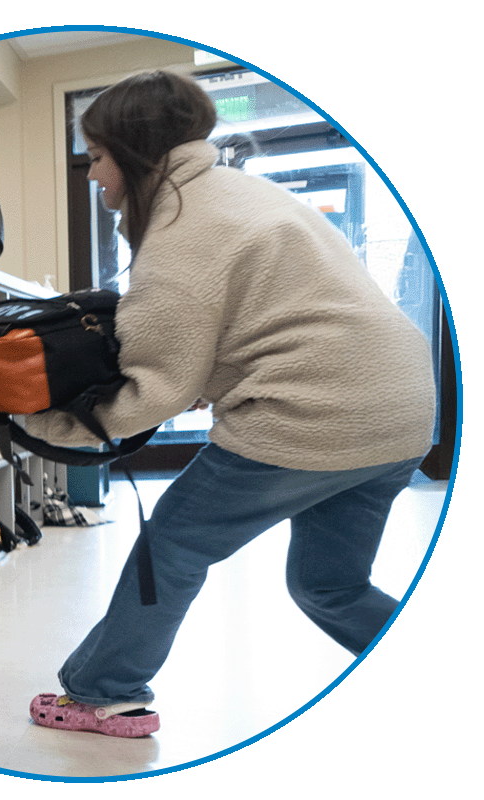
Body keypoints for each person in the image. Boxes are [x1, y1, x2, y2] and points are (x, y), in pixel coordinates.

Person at [25, 71, 437, 738]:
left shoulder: (181, 231)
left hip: (313, 409)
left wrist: (41, 425)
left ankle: (104, 692)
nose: (92, 174)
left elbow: (153, 391)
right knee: (330, 586)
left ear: (132, 152)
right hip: (402, 407)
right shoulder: (238, 193)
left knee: (174, 544)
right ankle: (432, 671)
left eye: (96, 156)